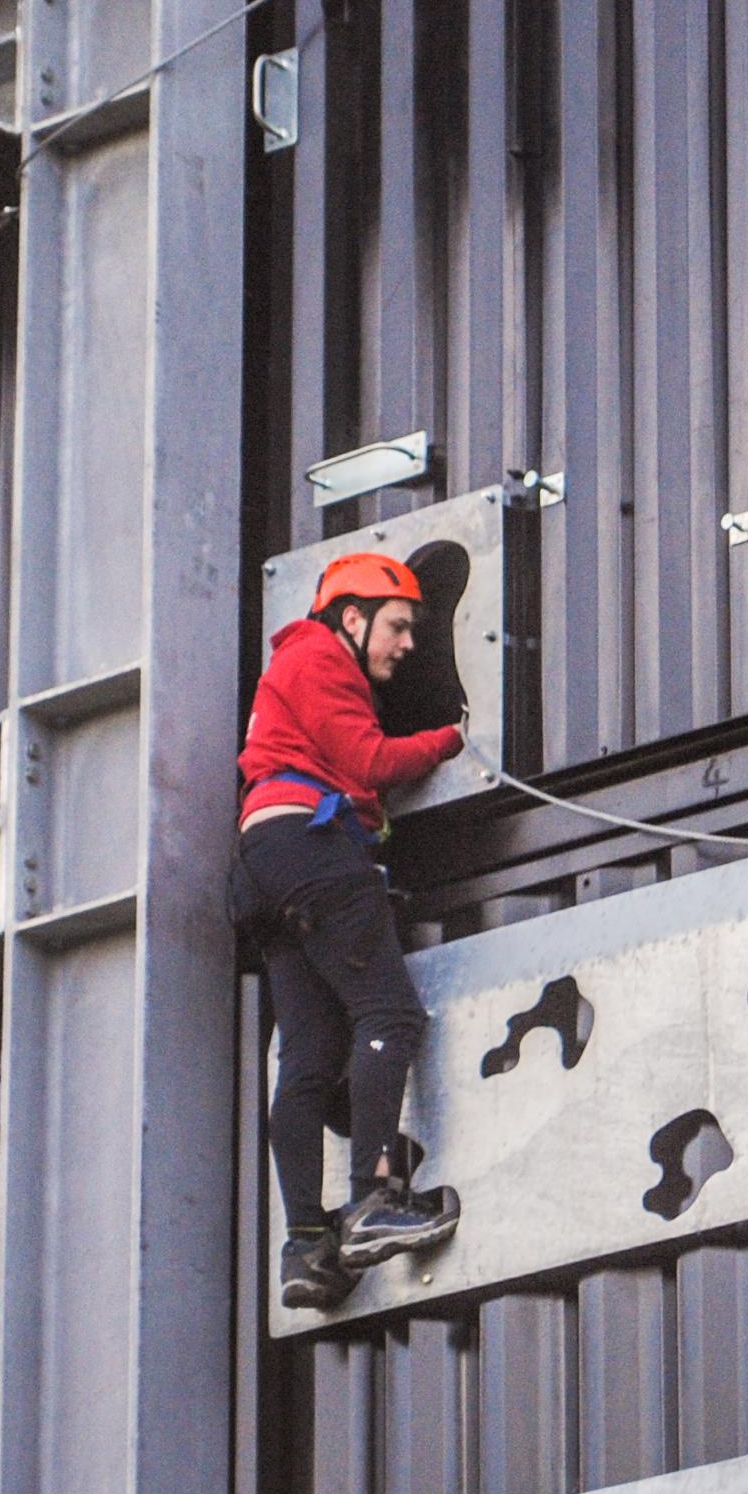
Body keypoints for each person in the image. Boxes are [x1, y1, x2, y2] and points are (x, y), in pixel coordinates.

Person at [235, 554, 472, 1311]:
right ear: (352, 618)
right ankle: (373, 1199)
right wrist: (451, 740)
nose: (407, 645)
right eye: (397, 626)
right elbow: (368, 761)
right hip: (313, 844)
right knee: (389, 1015)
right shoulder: (317, 657)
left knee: (308, 1055)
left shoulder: (293, 669)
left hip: (266, 863)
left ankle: (307, 1247)